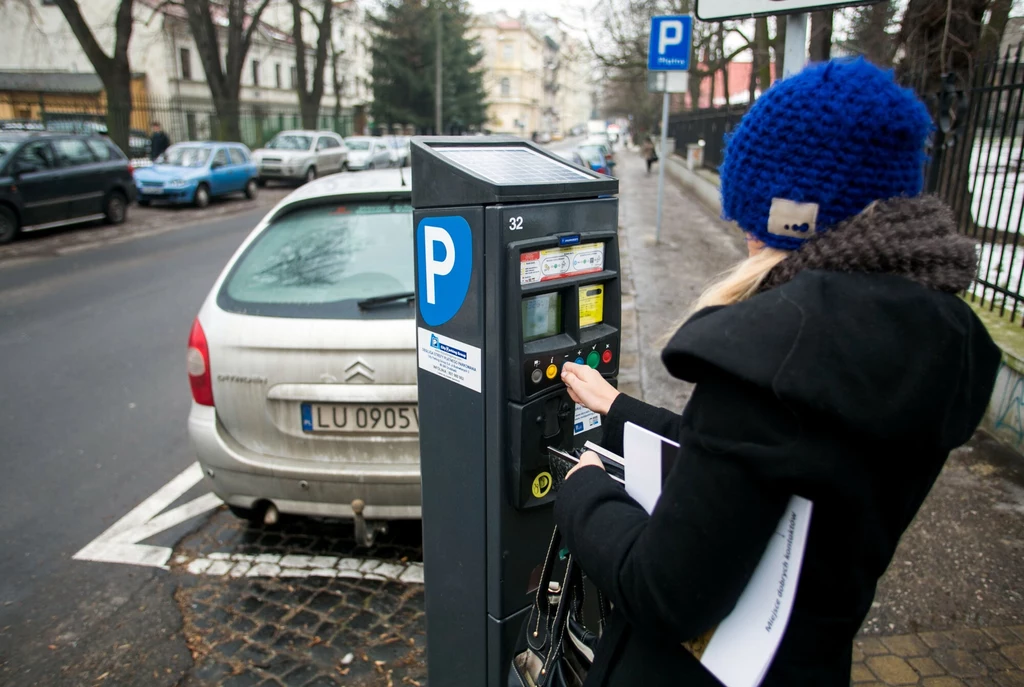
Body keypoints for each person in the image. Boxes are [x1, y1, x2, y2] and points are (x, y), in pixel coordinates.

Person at [554, 58, 1001, 687]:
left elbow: (664, 594)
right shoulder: (931, 339)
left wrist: (585, 491)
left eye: (748, 216)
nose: (740, 232)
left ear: (792, 213)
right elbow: (765, 462)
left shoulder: (774, 353)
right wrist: (620, 408)